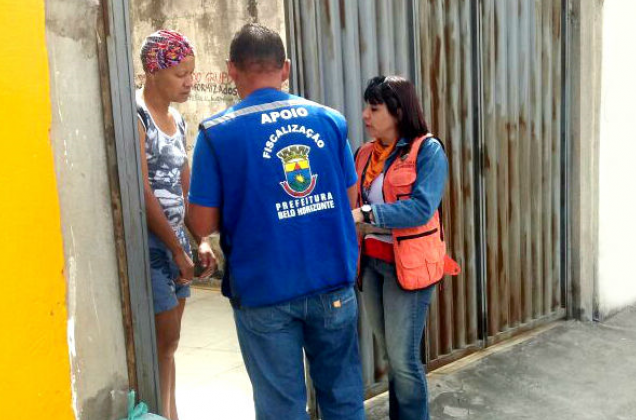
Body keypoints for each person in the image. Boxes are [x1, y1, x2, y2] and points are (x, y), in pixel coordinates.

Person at [186, 23, 365, 420]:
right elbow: (348, 199)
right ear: (284, 68)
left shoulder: (216, 135)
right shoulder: (331, 122)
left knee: (281, 408)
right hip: (332, 283)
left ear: (232, 69)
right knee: (344, 400)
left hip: (264, 292)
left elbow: (202, 222)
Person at [351, 76, 460, 420]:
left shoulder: (427, 150)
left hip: (408, 269)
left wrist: (367, 212)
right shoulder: (365, 153)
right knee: (390, 355)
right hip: (371, 265)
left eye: (374, 108)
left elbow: (420, 208)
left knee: (403, 359)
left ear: (397, 111)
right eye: (366, 107)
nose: (365, 115)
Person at [136, 29, 217, 420]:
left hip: (175, 247)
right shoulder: (137, 118)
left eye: (191, 73)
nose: (189, 82)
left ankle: (170, 414)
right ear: (154, 71)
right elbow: (143, 194)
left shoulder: (176, 121)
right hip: (153, 248)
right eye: (181, 74)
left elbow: (186, 189)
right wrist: (174, 247)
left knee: (171, 344)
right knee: (161, 342)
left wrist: (200, 240)